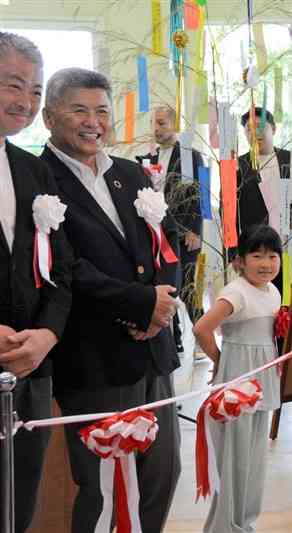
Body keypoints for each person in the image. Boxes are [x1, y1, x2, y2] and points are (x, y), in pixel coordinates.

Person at [40, 68, 181, 533]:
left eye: (101, 111)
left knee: (162, 472)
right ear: (49, 117)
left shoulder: (131, 172)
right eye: (78, 109)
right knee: (102, 488)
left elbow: (168, 243)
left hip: (152, 352)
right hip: (95, 356)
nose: (93, 121)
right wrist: (141, 304)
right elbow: (66, 269)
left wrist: (160, 307)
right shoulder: (37, 180)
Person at [0, 32, 73, 533]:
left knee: (18, 503)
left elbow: (61, 268)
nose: (26, 101)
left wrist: (47, 334)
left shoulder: (33, 171)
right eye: (13, 85)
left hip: (31, 369)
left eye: (35, 90)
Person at [193, 223, 283, 532]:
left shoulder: (272, 290)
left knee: (254, 460)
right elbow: (201, 328)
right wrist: (221, 361)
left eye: (273, 256)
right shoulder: (236, 292)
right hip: (238, 382)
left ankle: (244, 522)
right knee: (234, 460)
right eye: (257, 256)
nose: (266, 263)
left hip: (263, 376)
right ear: (239, 261)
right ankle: (225, 526)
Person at [135, 105, 205, 355]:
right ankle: (173, 339)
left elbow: (199, 195)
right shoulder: (147, 158)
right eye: (154, 122)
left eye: (162, 123)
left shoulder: (190, 155)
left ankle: (202, 336)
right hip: (157, 233)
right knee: (164, 285)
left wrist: (194, 230)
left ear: (174, 124)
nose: (156, 128)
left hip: (186, 234)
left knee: (186, 287)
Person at [236, 107, 292, 297]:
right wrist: (233, 254)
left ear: (273, 128)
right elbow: (229, 212)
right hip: (256, 251)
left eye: (260, 127)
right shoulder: (238, 166)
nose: (255, 133)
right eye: (248, 129)